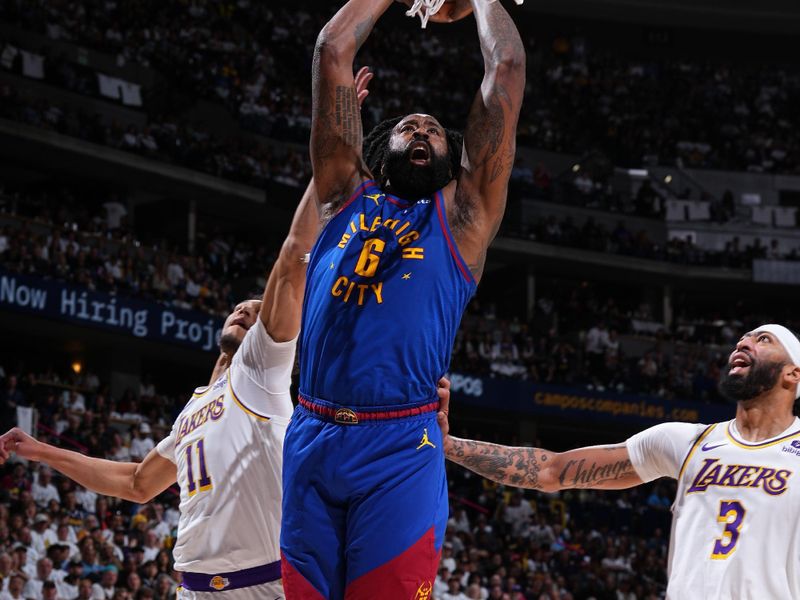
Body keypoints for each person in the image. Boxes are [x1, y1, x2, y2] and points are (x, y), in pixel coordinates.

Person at [280, 1, 525, 597]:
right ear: (381, 147)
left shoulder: (462, 219)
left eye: (436, 130)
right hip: (310, 434)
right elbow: (332, 51)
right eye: (409, 126)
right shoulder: (341, 195)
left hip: (399, 447)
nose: (422, 131)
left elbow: (507, 70)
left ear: (453, 158)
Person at [443, 324, 800, 599]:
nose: (743, 343)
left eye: (764, 339)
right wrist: (447, 445)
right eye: (743, 338)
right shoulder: (688, 441)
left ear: (792, 374)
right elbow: (552, 470)